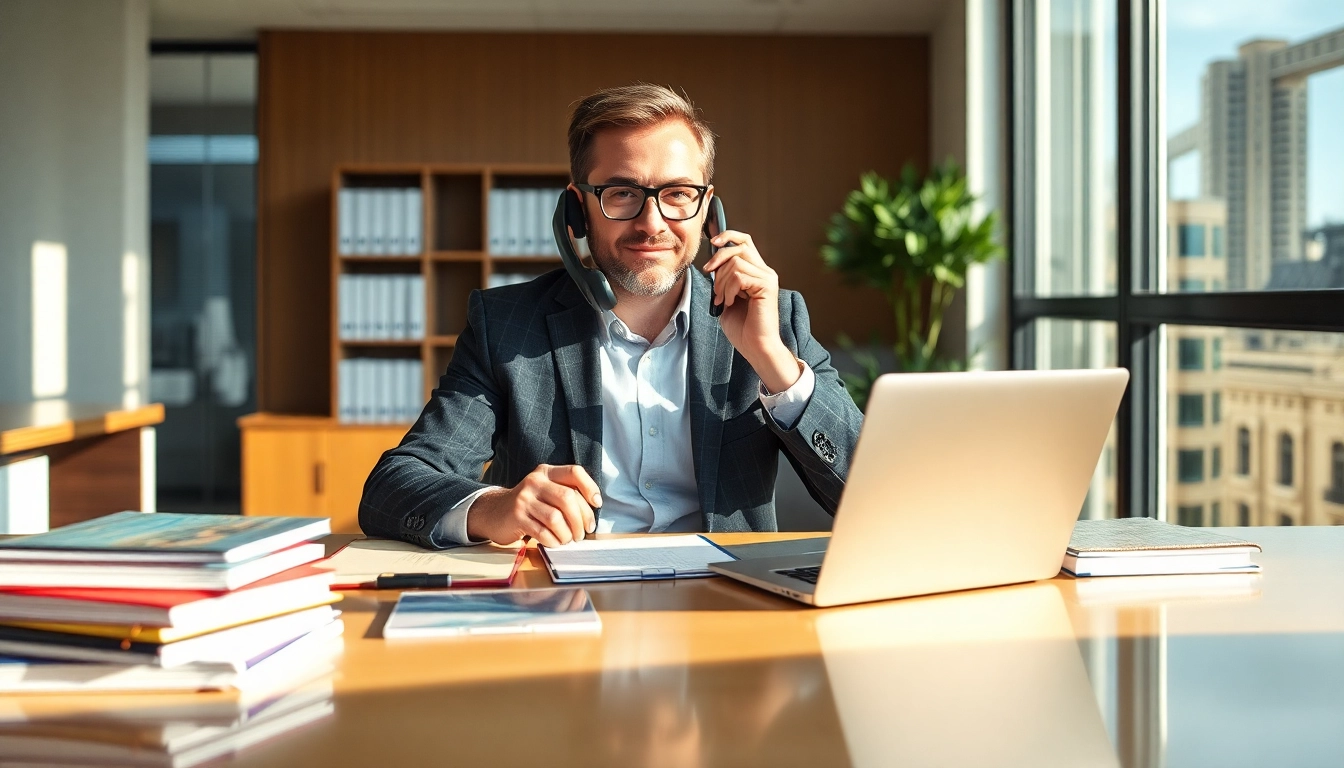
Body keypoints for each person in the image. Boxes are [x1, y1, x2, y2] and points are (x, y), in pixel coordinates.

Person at [359, 84, 863, 548]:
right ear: (578, 210)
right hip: (569, 606)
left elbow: (868, 494)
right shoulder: (507, 325)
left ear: (708, 210)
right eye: (622, 193)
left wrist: (772, 359)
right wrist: (493, 507)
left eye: (678, 194)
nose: (652, 222)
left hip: (727, 603)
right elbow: (394, 486)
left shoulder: (776, 320)